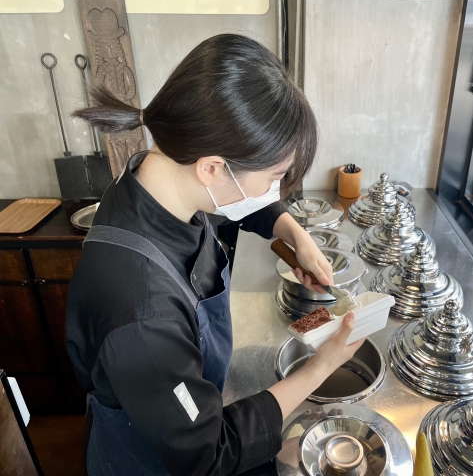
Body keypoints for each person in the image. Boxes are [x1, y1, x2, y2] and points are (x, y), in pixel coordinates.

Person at [65, 33, 364, 476]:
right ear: (212, 168)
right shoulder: (141, 311)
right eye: (275, 175)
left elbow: (237, 205)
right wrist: (322, 364)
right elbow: (209, 451)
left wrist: (294, 233)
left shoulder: (161, 184)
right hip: (148, 459)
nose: (274, 191)